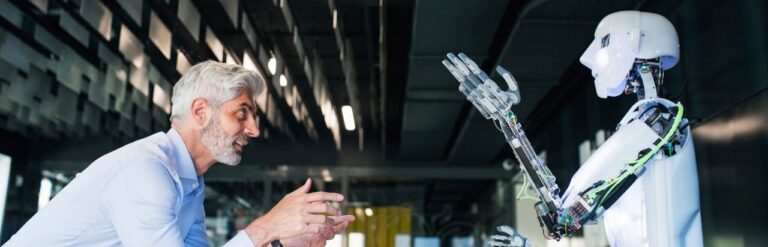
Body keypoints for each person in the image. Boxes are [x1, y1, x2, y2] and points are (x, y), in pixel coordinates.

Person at [4, 61, 355, 246]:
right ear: (200, 112)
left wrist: (280, 243)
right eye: (242, 113)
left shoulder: (189, 184)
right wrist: (266, 226)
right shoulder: (146, 172)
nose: (253, 130)